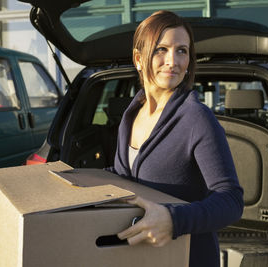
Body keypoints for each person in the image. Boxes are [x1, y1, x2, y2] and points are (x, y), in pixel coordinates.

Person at [107, 10, 244, 267]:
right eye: (161, 49)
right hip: (138, 256)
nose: (173, 61)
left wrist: (174, 220)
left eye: (182, 50)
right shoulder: (131, 113)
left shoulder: (196, 118)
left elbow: (231, 200)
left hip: (187, 258)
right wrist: (81, 183)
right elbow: (123, 176)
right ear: (138, 58)